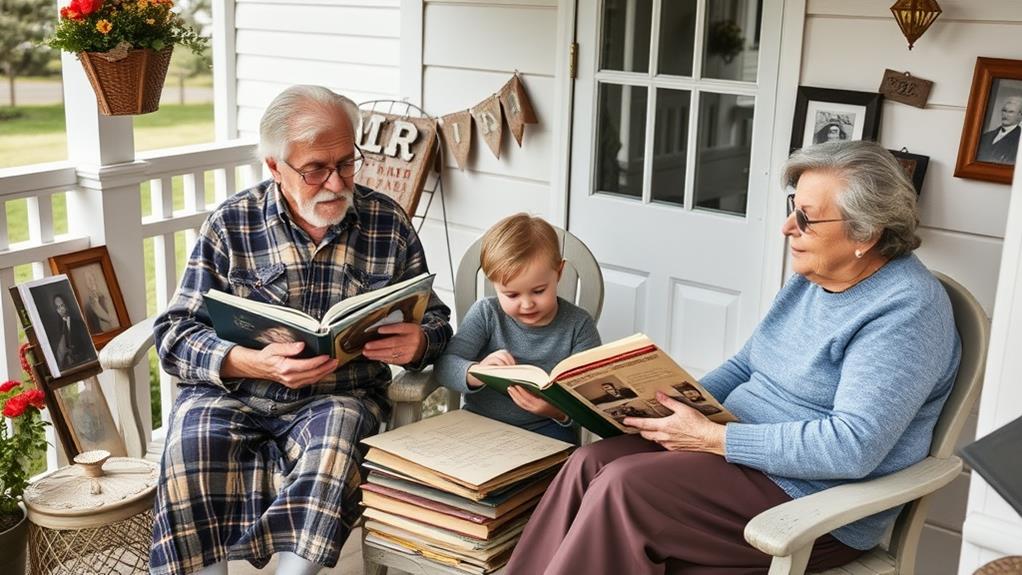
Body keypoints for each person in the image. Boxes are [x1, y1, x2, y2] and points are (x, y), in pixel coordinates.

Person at [506, 140, 961, 574]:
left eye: (807, 219)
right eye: (792, 209)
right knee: (590, 463)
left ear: (867, 232)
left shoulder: (906, 310)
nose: (788, 229)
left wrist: (714, 439)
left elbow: (852, 446)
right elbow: (748, 364)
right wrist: (661, 402)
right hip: (737, 456)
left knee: (624, 489)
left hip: (812, 499)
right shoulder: (815, 277)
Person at [150, 85, 452, 575]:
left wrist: (420, 341)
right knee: (191, 439)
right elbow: (174, 334)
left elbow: (435, 320)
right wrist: (249, 361)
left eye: (346, 163)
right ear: (275, 167)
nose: (335, 181)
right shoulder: (232, 224)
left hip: (338, 397)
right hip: (236, 394)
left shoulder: (386, 222)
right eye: (315, 169)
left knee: (336, 435)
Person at [434, 213, 601, 444]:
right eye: (512, 294)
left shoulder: (579, 325)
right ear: (494, 283)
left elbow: (591, 399)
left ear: (559, 273)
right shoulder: (487, 313)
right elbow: (444, 365)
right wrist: (477, 371)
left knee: (560, 471)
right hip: (480, 424)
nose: (527, 304)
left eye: (539, 290)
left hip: (547, 428)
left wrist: (554, 410)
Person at [48, 292, 92, 370]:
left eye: (62, 305)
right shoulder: (59, 327)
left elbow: (87, 343)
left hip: (83, 360)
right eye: (58, 307)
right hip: (69, 364)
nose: (61, 309)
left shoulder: (78, 322)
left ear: (66, 305)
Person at [976, 95, 1022, 164]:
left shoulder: (1020, 139)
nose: (1005, 115)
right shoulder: (986, 136)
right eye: (1004, 111)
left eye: (1011, 112)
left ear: (1020, 116)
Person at [80, 269, 117, 333]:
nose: (92, 281)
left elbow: (113, 316)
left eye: (92, 278)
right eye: (88, 280)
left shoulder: (104, 297)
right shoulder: (87, 305)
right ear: (86, 284)